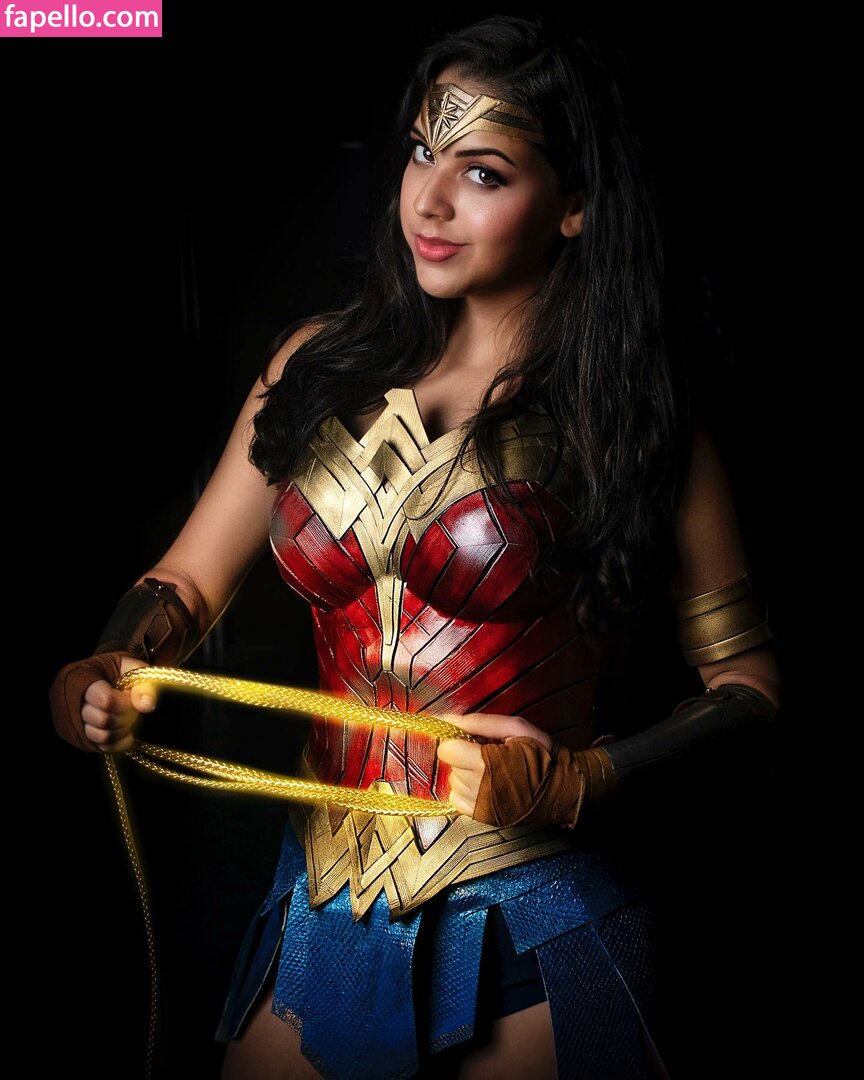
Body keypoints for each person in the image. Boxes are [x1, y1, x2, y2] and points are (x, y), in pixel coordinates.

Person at [49, 14, 782, 1080]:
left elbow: (751, 690)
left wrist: (576, 782)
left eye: (482, 172)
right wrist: (108, 661)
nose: (429, 201)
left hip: (531, 912)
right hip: (323, 892)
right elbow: (184, 582)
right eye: (421, 153)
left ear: (574, 203)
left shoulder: (632, 417)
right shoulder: (314, 368)